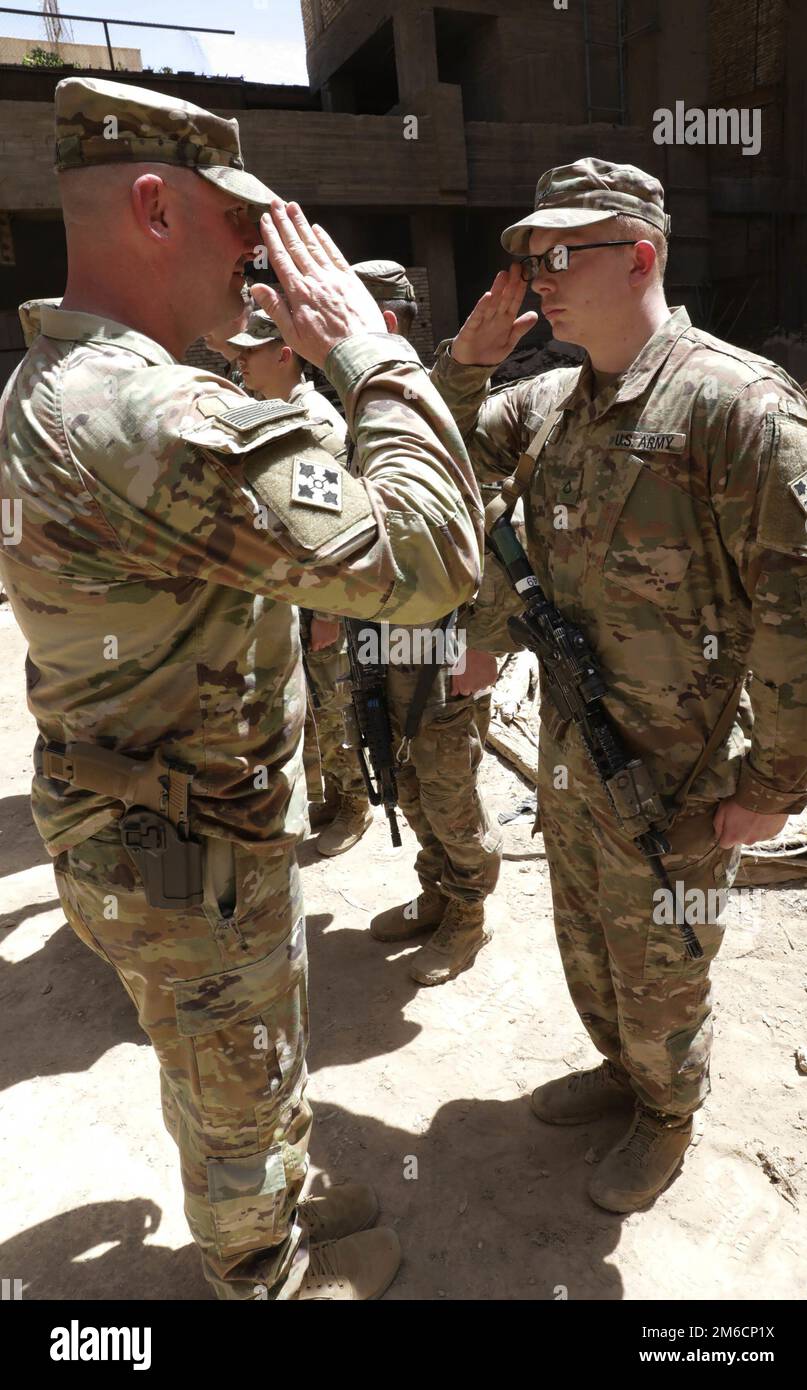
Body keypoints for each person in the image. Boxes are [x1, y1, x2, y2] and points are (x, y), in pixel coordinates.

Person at [0, 75, 482, 1298]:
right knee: (228, 1069)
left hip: (136, 820)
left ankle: (272, 1172)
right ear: (157, 207)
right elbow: (428, 561)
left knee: (229, 1054)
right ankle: (258, 1262)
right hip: (190, 851)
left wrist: (265, 376)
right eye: (243, 228)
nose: (266, 262)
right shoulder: (160, 413)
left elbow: (241, 517)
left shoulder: (59, 378)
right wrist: (367, 353)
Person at [430, 157, 807, 1211]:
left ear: (640, 253)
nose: (536, 276)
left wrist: (774, 782)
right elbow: (431, 468)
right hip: (574, 751)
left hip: (680, 775)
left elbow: (803, 616)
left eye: (561, 254)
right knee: (588, 937)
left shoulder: (737, 407)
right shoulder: (555, 402)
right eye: (525, 256)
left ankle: (667, 1112)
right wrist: (462, 366)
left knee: (663, 961)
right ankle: (621, 1073)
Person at [347, 261, 502, 986]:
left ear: (386, 323)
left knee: (448, 785)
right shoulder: (372, 408)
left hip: (445, 639)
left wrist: (483, 640)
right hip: (387, 635)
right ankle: (438, 892)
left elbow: (496, 534)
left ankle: (470, 914)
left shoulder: (441, 413)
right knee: (403, 774)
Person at [227, 307, 374, 855]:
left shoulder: (313, 423)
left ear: (284, 355)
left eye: (251, 352)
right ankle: (334, 794)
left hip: (322, 595)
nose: (240, 361)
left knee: (336, 702)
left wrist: (331, 611)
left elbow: (337, 526)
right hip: (297, 589)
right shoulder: (275, 411)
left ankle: (355, 802)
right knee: (314, 702)